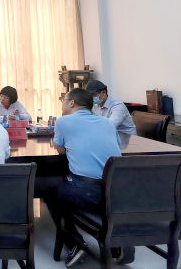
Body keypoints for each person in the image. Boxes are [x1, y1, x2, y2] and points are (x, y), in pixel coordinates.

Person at [45, 88, 133, 267]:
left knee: (51, 194)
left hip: (89, 192)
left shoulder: (63, 121)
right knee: (70, 183)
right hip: (118, 191)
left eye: (64, 100)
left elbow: (60, 149)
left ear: (72, 103)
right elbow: (113, 145)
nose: (62, 104)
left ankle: (75, 245)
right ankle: (116, 243)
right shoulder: (107, 123)